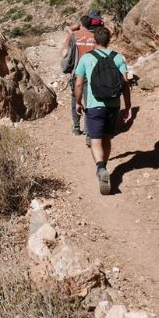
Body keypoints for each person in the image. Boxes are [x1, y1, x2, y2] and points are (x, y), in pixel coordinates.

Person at [73, 26, 132, 195]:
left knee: (95, 139)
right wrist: (128, 106)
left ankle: (101, 167)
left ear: (94, 41)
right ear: (109, 40)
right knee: (107, 137)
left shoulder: (86, 58)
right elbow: (126, 85)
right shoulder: (118, 57)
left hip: (94, 105)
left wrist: (78, 102)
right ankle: (104, 166)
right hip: (113, 105)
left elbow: (78, 84)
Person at [60, 15, 97, 135]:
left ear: (80, 24)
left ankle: (76, 127)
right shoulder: (95, 36)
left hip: (77, 73)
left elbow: (64, 53)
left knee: (75, 98)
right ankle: (89, 132)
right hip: (92, 73)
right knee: (90, 101)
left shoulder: (73, 36)